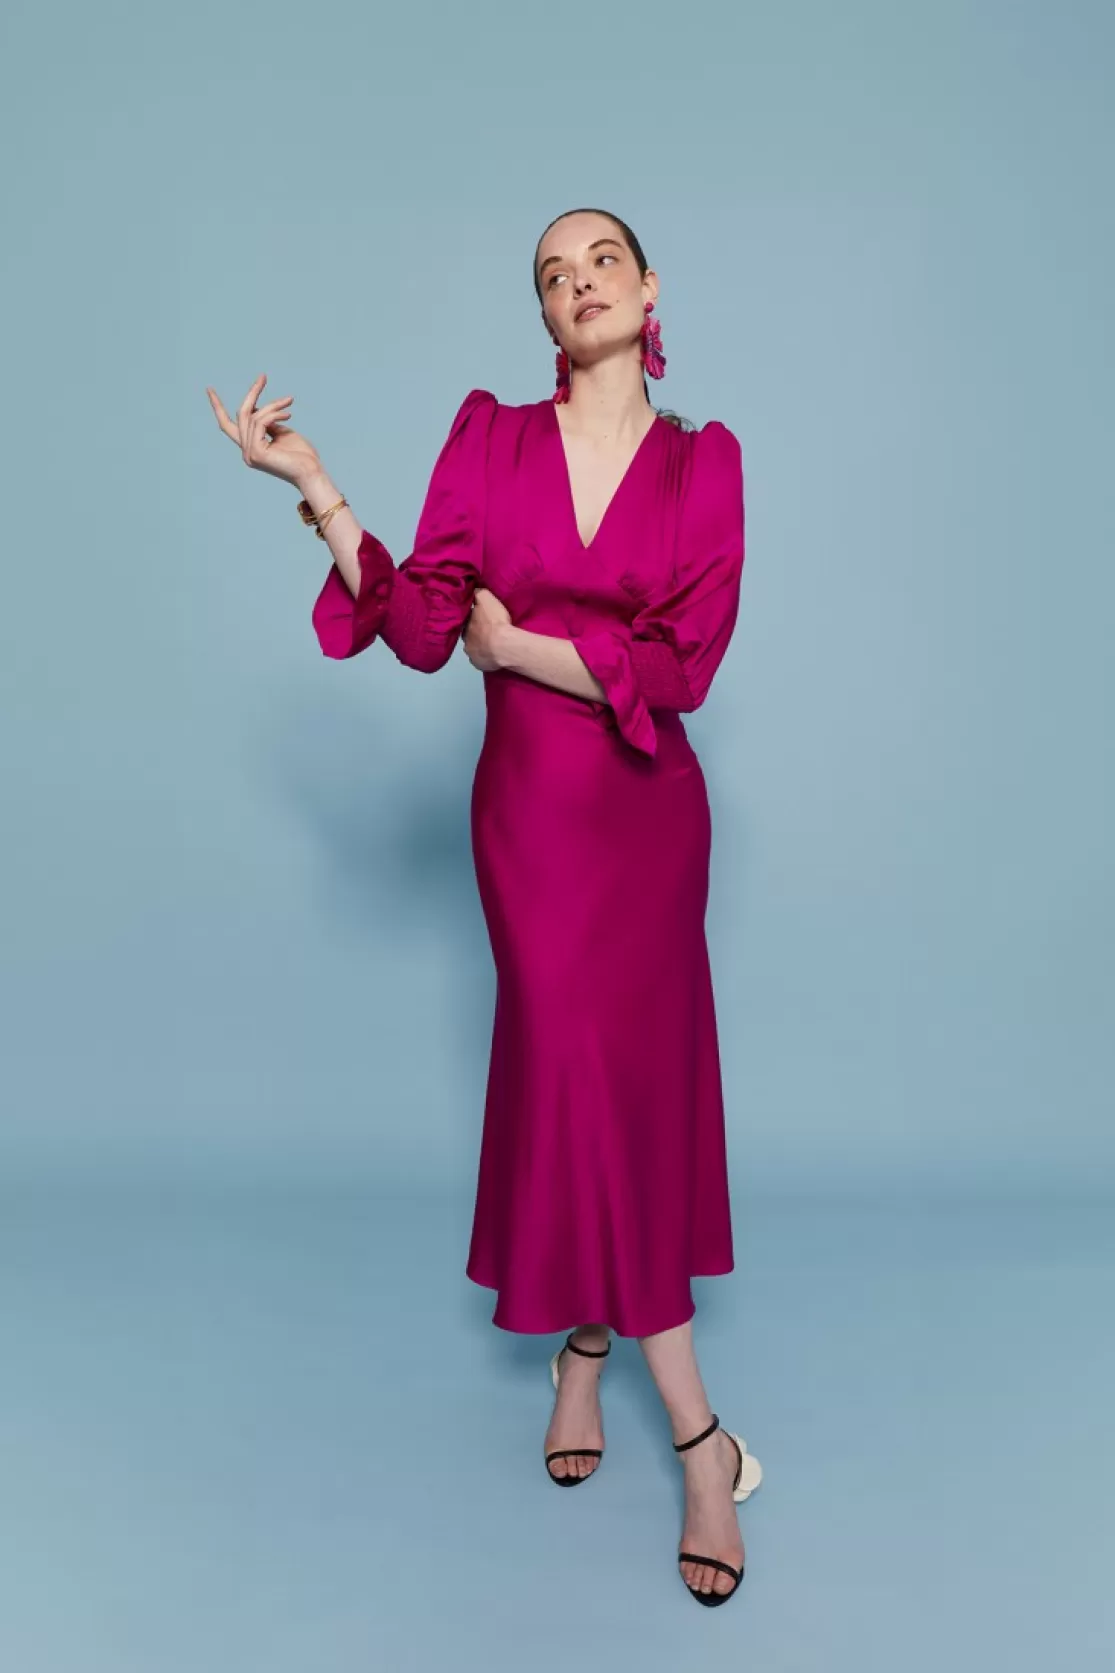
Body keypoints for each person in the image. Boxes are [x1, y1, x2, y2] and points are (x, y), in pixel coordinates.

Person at [206, 206, 761, 1607]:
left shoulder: (704, 462)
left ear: (650, 291)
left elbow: (684, 665)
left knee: (630, 1088)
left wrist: (526, 648)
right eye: (552, 275)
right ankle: (701, 1439)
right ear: (545, 316)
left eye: (601, 261)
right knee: (571, 1066)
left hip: (648, 820)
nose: (578, 283)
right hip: (532, 822)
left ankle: (589, 1354)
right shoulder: (490, 441)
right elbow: (419, 628)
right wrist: (320, 488)